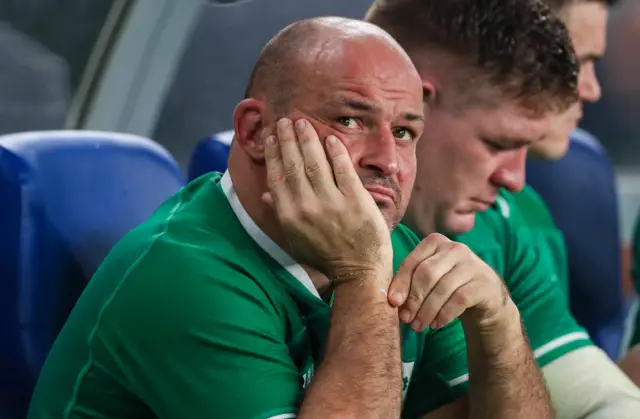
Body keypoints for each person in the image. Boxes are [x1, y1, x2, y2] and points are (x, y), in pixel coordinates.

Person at [28, 17, 551, 419]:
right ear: (255, 132)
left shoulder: (397, 249)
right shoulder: (183, 276)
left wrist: (499, 322)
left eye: (405, 133)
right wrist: (363, 278)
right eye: (350, 119)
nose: (387, 161)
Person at [366, 0, 640, 418]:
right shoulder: (251, 236)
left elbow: (600, 401)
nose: (515, 180)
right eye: (497, 144)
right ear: (413, 103)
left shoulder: (499, 220)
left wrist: (503, 329)